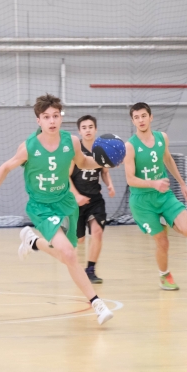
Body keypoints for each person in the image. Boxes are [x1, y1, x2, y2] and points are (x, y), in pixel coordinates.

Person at [0, 94, 115, 325]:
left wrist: (104, 161)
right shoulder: (28, 147)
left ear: (61, 118)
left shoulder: (71, 142)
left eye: (55, 116)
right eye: (46, 117)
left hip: (66, 203)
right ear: (38, 121)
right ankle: (97, 303)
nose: (52, 121)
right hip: (41, 207)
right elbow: (4, 168)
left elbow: (82, 163)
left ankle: (33, 241)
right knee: (69, 254)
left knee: (66, 255)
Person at [124, 102, 187, 290]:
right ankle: (164, 275)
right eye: (136, 117)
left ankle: (166, 220)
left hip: (164, 195)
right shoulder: (130, 146)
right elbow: (130, 179)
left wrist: (182, 183)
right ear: (133, 121)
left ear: (151, 117)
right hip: (142, 202)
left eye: (143, 116)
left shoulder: (162, 138)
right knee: (163, 242)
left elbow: (168, 159)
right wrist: (153, 183)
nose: (140, 120)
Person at [69, 115, 115, 284]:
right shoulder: (76, 151)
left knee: (97, 233)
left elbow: (104, 171)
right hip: (77, 201)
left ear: (95, 129)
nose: (87, 130)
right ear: (79, 131)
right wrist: (76, 195)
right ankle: (75, 267)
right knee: (79, 239)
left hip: (95, 200)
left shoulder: (101, 150)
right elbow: (66, 177)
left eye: (90, 127)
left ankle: (90, 270)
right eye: (84, 127)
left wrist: (109, 184)